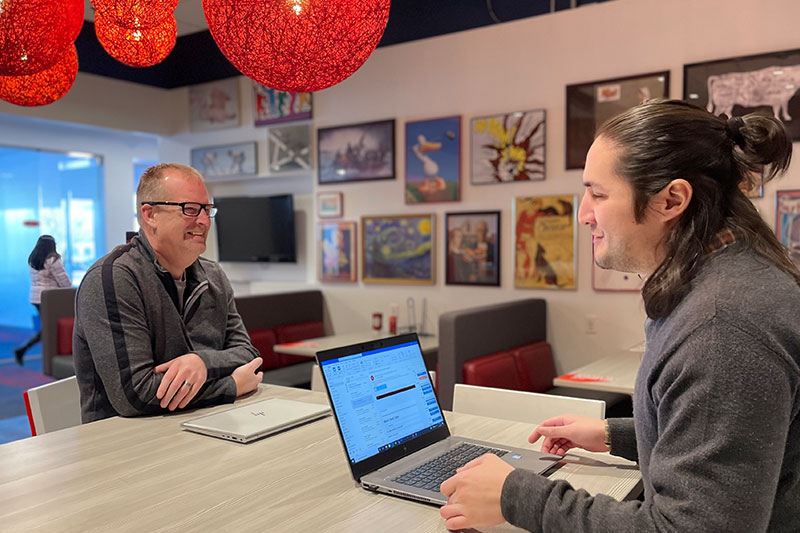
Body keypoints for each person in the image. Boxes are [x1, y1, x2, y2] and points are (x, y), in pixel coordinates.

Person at [439, 100, 800, 532]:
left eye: (598, 193)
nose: (583, 214)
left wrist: (517, 495)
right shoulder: (730, 281)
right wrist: (616, 435)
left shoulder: (721, 329)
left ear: (672, 200)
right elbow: (737, 434)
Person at [73, 163, 263, 423]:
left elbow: (249, 356)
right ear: (150, 214)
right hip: (126, 446)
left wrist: (201, 362)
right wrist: (230, 386)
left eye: (207, 209)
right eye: (190, 209)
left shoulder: (213, 275)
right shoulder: (114, 278)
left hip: (206, 426)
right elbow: (135, 395)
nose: (204, 221)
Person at [13, 235, 71, 365]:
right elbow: (64, 281)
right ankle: (24, 349)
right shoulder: (53, 259)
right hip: (50, 298)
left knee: (47, 327)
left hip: (36, 297)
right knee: (49, 328)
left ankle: (24, 350)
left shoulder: (33, 258)